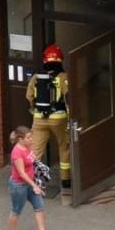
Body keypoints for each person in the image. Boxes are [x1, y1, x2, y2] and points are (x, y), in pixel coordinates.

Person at [24, 43, 71, 192]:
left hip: (39, 119)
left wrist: (35, 111)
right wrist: (70, 118)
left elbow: (29, 96)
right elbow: (68, 97)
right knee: (64, 147)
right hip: (59, 119)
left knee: (35, 151)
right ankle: (65, 181)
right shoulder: (63, 77)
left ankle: (31, 180)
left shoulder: (36, 78)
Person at [7, 125, 56, 230]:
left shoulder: (28, 147)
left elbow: (33, 163)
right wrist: (34, 186)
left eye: (31, 137)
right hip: (19, 186)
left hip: (30, 183)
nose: (31, 140)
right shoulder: (17, 153)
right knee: (16, 210)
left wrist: (38, 178)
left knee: (39, 206)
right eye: (28, 138)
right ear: (20, 139)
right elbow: (21, 173)